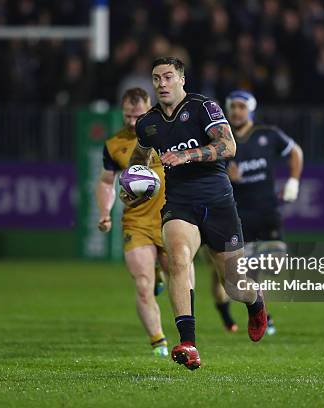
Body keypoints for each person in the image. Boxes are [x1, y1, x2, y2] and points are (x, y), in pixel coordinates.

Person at [123, 57, 268, 371]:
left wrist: (188, 155)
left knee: (233, 285)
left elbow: (228, 146)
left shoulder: (204, 107)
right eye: (156, 78)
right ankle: (188, 342)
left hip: (218, 202)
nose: (161, 84)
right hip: (180, 204)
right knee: (178, 258)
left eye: (167, 77)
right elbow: (139, 159)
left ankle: (256, 303)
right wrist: (131, 183)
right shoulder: (148, 123)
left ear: (181, 79)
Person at [209, 89, 303, 335]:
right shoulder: (220, 140)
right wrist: (227, 178)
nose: (237, 111)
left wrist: (293, 181)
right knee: (249, 272)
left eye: (242, 106)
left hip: (267, 210)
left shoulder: (267, 135)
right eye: (233, 106)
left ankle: (260, 311)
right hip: (236, 214)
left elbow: (295, 152)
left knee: (275, 264)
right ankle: (264, 316)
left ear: (250, 110)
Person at [95, 87, 172, 357]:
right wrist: (105, 211)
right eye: (127, 116)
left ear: (149, 108)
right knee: (142, 283)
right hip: (136, 222)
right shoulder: (114, 144)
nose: (131, 121)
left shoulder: (168, 131)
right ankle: (158, 340)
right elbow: (106, 182)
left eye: (136, 115)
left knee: (180, 280)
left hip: (172, 218)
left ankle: (187, 332)